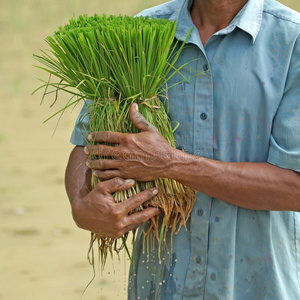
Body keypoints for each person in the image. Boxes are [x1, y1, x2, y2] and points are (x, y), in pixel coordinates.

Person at [65, 0, 300, 299]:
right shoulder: (140, 33)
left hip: (258, 285)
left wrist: (170, 164)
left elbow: (295, 187)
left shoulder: (292, 41)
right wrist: (81, 205)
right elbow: (88, 145)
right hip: (162, 285)